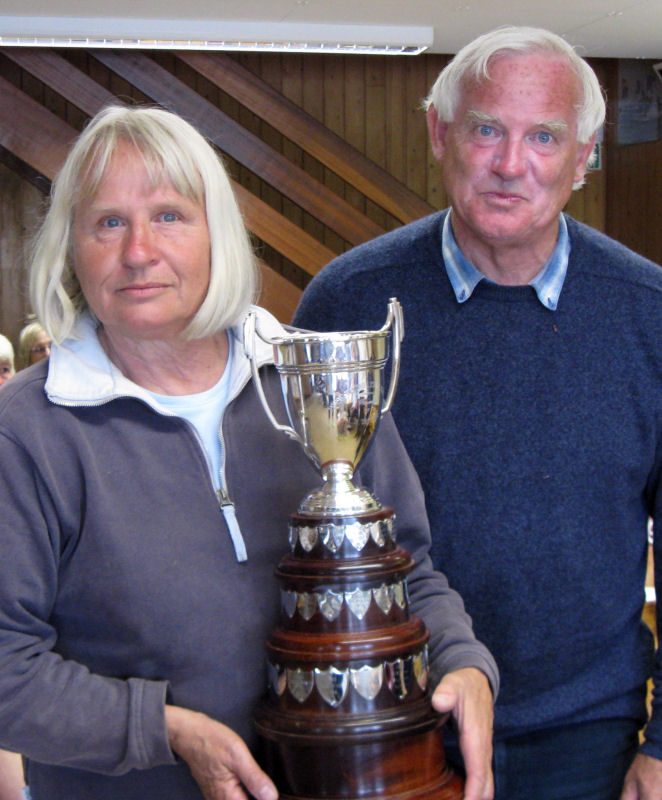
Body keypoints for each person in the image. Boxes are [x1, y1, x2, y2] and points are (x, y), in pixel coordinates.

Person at [0, 104, 498, 800]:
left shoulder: (318, 383)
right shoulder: (25, 433)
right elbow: (6, 669)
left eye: (170, 215)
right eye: (107, 222)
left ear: (218, 235)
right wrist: (165, 731)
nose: (138, 250)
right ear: (72, 248)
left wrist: (463, 663)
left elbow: (409, 573)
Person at [293, 25, 662, 800]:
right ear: (439, 132)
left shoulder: (648, 316)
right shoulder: (346, 305)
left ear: (585, 154)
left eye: (544, 137)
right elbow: (295, 534)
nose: (509, 164)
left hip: (586, 737)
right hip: (390, 722)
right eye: (486, 129)